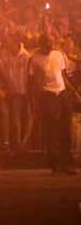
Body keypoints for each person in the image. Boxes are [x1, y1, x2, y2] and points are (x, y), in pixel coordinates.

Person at [29, 34, 77, 175]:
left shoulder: (58, 54)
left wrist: (72, 91)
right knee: (52, 131)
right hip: (47, 95)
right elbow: (31, 82)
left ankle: (67, 163)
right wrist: (34, 102)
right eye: (47, 43)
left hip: (61, 94)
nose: (50, 45)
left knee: (65, 129)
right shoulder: (34, 58)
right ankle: (56, 165)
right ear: (41, 44)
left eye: (51, 42)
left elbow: (63, 75)